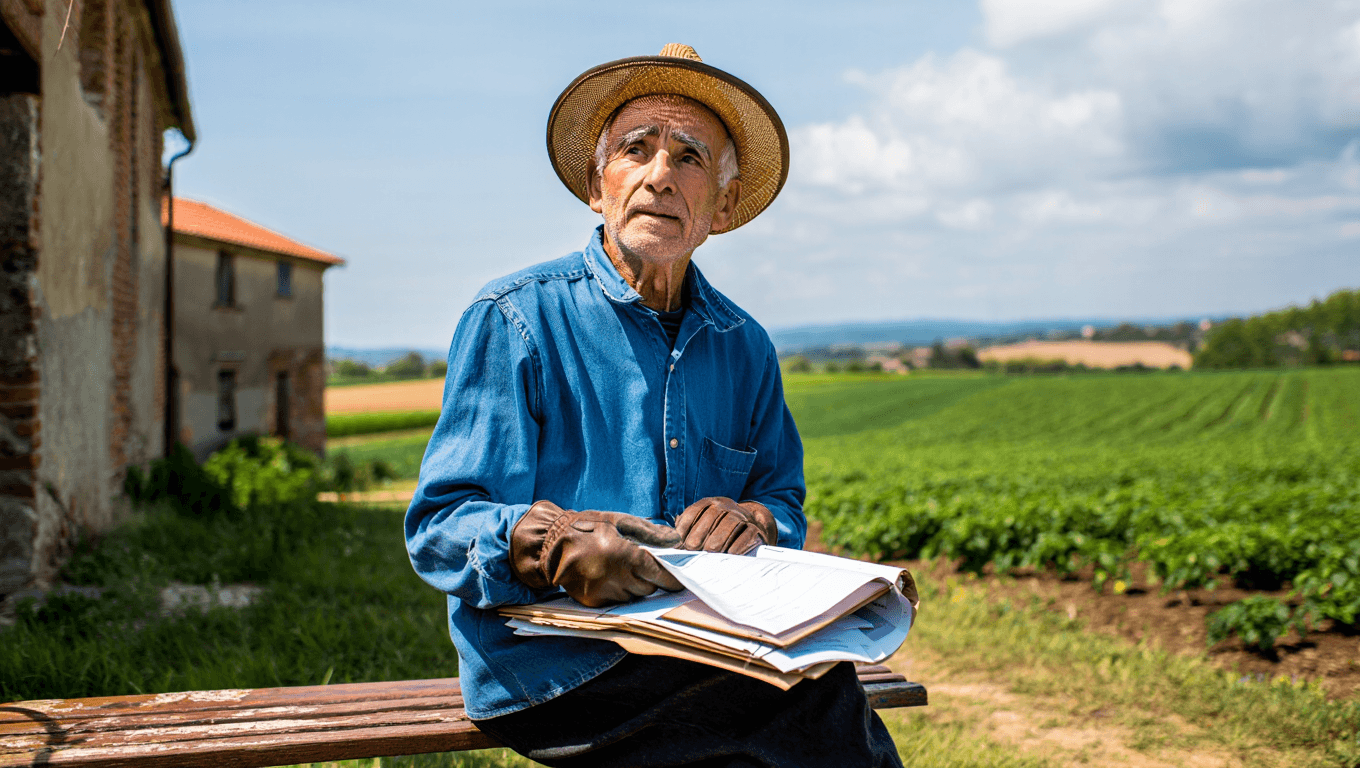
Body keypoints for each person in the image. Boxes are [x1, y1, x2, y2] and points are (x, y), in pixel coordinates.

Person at [405, 44, 904, 767]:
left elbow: (782, 497)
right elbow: (439, 524)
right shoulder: (515, 318)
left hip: (709, 644)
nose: (659, 176)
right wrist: (552, 545)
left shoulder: (746, 346)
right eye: (636, 150)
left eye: (690, 157)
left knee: (816, 694)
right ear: (596, 185)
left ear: (723, 207)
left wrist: (755, 518)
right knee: (811, 717)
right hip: (554, 664)